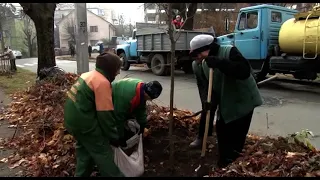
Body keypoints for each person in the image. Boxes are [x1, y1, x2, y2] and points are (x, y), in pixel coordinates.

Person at [189, 34, 263, 168]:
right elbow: (206, 86)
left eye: (197, 54)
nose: (196, 58)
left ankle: (233, 165)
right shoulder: (199, 64)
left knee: (236, 137)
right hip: (226, 101)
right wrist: (207, 102)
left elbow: (244, 71)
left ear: (208, 48)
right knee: (222, 132)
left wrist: (219, 63)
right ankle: (223, 165)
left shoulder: (229, 51)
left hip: (243, 100)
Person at [64, 52, 125, 177]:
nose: (118, 72)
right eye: (117, 69)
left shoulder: (89, 75)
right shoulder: (102, 83)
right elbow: (105, 115)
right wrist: (114, 137)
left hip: (72, 120)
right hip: (84, 123)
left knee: (85, 154)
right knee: (103, 153)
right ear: (110, 68)